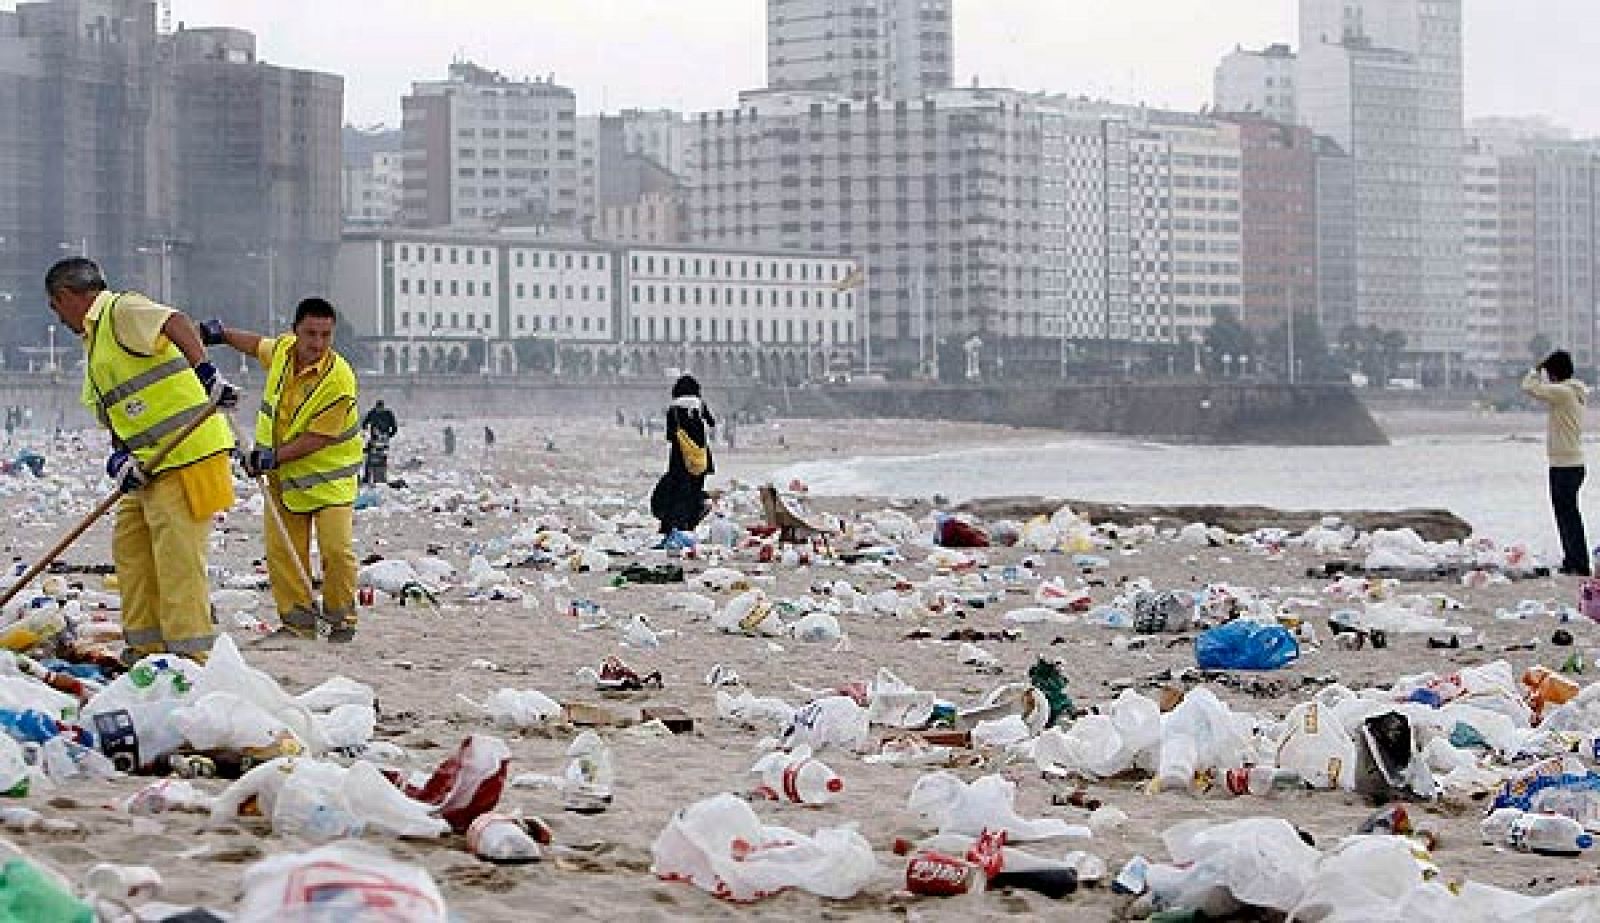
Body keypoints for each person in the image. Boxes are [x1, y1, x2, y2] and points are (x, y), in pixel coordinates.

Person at [46, 257, 237, 662]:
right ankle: (146, 650)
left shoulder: (121, 310)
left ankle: (190, 660)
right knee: (130, 550)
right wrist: (120, 463)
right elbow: (118, 419)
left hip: (188, 455)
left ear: (65, 297)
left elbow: (175, 322)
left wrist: (207, 374)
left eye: (54, 306)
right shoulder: (96, 346)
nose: (57, 318)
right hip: (150, 466)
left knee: (177, 563)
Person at [201, 298, 362, 642]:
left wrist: (271, 457)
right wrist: (221, 334)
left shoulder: (339, 380)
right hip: (283, 479)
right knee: (284, 553)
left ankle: (340, 620)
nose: (317, 344)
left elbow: (318, 438)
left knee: (337, 552)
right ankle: (297, 623)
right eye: (310, 334)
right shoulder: (284, 353)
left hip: (329, 481)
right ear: (295, 331)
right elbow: (256, 345)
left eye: (325, 336)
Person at [1523, 350, 1591, 576]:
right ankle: (1574, 559)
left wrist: (1536, 369)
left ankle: (1578, 562)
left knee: (1567, 515)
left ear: (1554, 373)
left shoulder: (1563, 392)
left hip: (1565, 465)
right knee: (1568, 514)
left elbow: (1530, 388)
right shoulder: (1573, 391)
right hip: (1572, 463)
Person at [649, 374, 716, 543]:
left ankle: (673, 525)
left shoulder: (674, 410)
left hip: (680, 458)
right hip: (700, 457)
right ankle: (689, 524)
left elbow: (670, 436)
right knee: (694, 490)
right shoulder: (700, 406)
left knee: (677, 491)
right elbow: (712, 423)